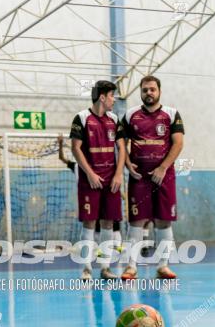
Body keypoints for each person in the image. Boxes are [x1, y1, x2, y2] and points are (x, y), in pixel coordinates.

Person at [120, 75, 185, 280]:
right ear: (141, 92)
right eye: (145, 90)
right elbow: (120, 142)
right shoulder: (130, 115)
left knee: (163, 221)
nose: (149, 93)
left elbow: (178, 143)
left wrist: (163, 167)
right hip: (139, 177)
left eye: (152, 89)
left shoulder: (171, 114)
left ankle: (163, 266)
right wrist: (127, 163)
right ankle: (131, 267)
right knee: (137, 221)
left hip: (164, 177)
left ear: (159, 91)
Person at [69, 82, 126, 281]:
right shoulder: (81, 118)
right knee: (89, 223)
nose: (114, 99)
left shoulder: (114, 119)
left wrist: (119, 174)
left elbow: (122, 149)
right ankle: (86, 268)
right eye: (112, 96)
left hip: (111, 181)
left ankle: (105, 267)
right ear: (102, 97)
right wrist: (91, 174)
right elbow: (76, 148)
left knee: (108, 223)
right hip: (90, 181)